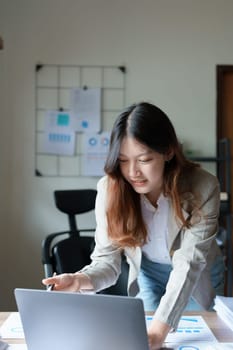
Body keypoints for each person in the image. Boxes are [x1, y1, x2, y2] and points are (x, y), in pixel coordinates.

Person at [43, 102, 225, 349]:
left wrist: (159, 332)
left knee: (194, 337)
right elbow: (107, 262)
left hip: (197, 275)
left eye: (144, 159)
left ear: (169, 152)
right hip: (148, 273)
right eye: (123, 160)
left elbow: (189, 262)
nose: (133, 172)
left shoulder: (204, 186)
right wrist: (80, 279)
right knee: (139, 339)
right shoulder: (110, 189)